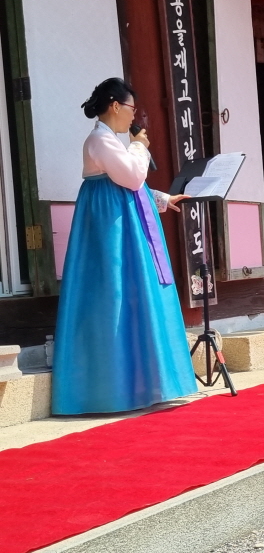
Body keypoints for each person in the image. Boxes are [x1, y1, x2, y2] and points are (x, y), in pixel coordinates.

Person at [51, 78, 197, 415]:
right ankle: (117, 388)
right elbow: (131, 178)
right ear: (116, 106)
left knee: (137, 295)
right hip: (111, 232)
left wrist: (162, 198)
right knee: (114, 296)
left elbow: (130, 187)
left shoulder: (110, 141)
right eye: (132, 108)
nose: (134, 116)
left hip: (122, 225)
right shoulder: (100, 140)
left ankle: (146, 382)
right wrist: (140, 146)